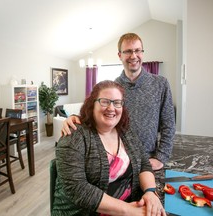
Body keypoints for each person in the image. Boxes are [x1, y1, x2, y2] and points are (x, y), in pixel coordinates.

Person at [61, 33, 176, 171]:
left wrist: (161, 157)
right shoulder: (113, 87)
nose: (133, 56)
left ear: (142, 53)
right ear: (119, 55)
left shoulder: (161, 84)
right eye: (128, 51)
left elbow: (168, 123)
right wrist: (76, 119)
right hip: (118, 159)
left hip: (149, 158)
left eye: (137, 50)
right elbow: (98, 116)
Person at [52, 80, 165, 216]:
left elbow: (144, 164)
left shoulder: (126, 132)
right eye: (105, 101)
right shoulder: (74, 136)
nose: (111, 108)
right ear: (92, 105)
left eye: (117, 103)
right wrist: (129, 210)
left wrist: (150, 192)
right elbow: (78, 189)